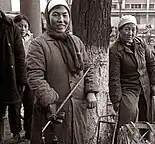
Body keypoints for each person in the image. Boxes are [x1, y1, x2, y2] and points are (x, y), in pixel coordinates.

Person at [26, 0, 99, 143]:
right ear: (47, 17)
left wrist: (90, 91)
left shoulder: (76, 41)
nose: (61, 20)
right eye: (56, 15)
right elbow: (35, 76)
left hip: (77, 109)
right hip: (52, 110)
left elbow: (88, 68)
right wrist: (50, 100)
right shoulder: (38, 44)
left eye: (65, 15)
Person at [109, 15, 155, 142]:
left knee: (147, 117)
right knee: (127, 119)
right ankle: (122, 141)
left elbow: (151, 62)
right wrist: (116, 99)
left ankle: (145, 140)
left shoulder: (140, 43)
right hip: (128, 87)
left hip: (145, 85)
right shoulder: (115, 50)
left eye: (133, 29)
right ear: (120, 30)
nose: (130, 33)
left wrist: (154, 83)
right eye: (127, 29)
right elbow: (114, 77)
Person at [0, 10, 27, 143]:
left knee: (14, 106)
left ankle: (16, 134)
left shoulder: (11, 27)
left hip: (10, 76)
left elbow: (19, 56)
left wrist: (22, 80)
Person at [13, 14, 34, 142]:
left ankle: (29, 131)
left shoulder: (33, 40)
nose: (23, 29)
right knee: (15, 105)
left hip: (30, 77)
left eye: (25, 26)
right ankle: (16, 132)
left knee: (30, 105)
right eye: (20, 26)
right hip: (16, 77)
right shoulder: (11, 38)